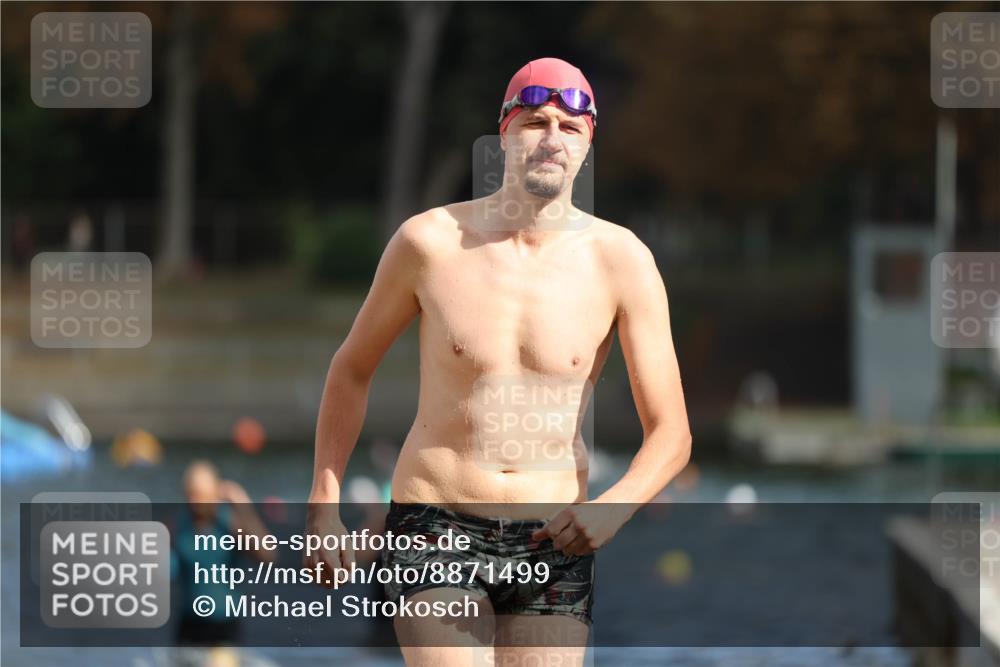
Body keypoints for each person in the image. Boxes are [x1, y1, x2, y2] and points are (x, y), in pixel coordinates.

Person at [305, 57, 691, 666]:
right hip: (436, 522)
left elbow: (672, 432)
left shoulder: (623, 262)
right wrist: (324, 499)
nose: (552, 139)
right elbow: (351, 368)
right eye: (536, 121)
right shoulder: (429, 243)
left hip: (553, 539)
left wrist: (615, 508)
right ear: (505, 132)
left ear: (589, 144)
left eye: (570, 127)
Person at [172, 461, 276, 657]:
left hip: (224, 627)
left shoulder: (229, 524)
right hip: (188, 625)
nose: (196, 502)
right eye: (191, 494)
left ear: (215, 494)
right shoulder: (178, 526)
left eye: (201, 495)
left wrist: (243, 506)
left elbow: (268, 555)